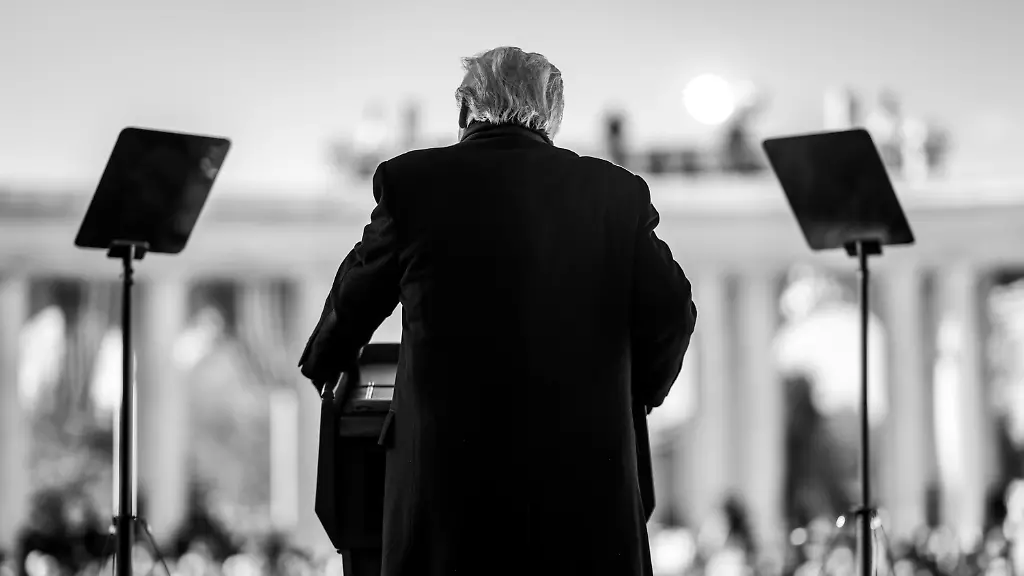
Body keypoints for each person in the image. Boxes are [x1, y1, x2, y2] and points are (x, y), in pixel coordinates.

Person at [299, 46, 697, 576]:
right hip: (585, 492)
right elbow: (673, 311)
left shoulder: (413, 184)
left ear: (465, 111)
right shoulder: (613, 194)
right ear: (551, 119)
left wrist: (326, 363)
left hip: (447, 493)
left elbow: (355, 296)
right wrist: (638, 395)